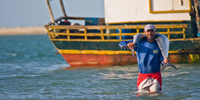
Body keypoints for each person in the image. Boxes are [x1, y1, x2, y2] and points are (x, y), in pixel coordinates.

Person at [126, 24, 169, 93]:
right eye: (148, 31)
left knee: (155, 94)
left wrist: (165, 61)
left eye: (152, 31)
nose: (150, 33)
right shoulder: (139, 42)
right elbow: (121, 44)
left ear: (155, 32)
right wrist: (128, 44)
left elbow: (162, 60)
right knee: (141, 96)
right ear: (144, 32)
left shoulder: (159, 44)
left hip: (155, 76)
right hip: (142, 76)